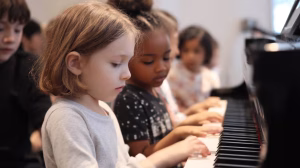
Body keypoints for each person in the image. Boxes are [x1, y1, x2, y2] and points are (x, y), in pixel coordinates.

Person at [38, 2, 209, 168]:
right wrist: (170, 154)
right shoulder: (66, 118)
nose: (127, 74)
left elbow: (125, 164)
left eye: (127, 63)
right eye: (116, 63)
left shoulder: (104, 110)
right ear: (76, 63)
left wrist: (175, 153)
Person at [111, 0, 222, 163]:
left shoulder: (153, 89)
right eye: (149, 61)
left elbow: (163, 135)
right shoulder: (128, 99)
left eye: (166, 57)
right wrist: (179, 133)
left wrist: (189, 127)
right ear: (125, 58)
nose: (161, 67)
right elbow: (141, 157)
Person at [0, 0, 51, 167]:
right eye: (1, 29)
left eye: (17, 30)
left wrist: (39, 138)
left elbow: (44, 118)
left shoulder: (27, 67)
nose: (10, 38)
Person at [168, 25, 221, 111]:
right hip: (182, 120)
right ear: (179, 50)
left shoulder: (212, 77)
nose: (191, 56)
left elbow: (215, 102)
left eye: (197, 51)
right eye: (185, 50)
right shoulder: (172, 74)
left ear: (206, 52)